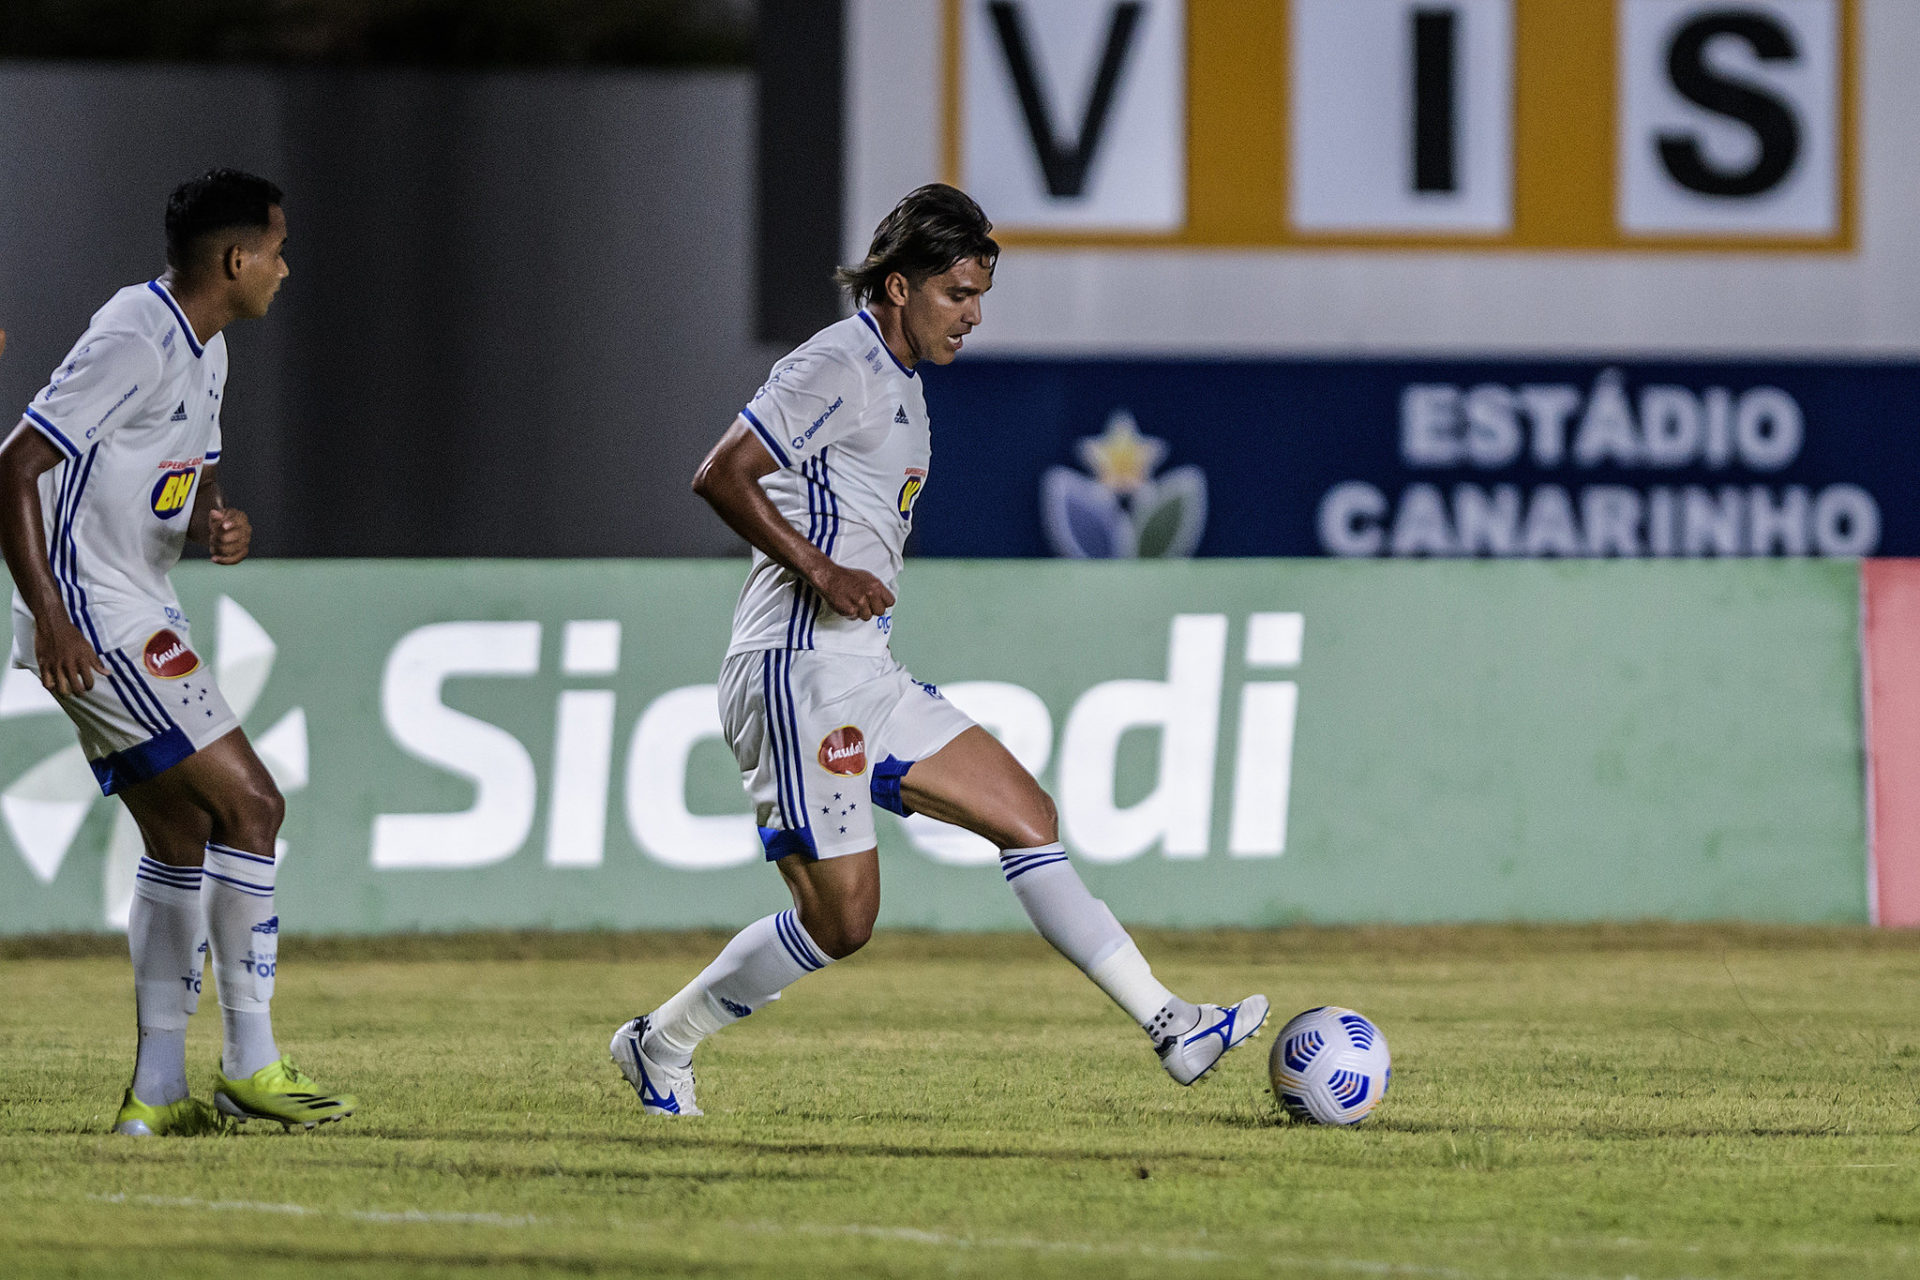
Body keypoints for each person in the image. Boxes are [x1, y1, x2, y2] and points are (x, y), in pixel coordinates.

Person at [609, 184, 1267, 1116]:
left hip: (860, 667)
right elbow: (721, 475)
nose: (973, 314)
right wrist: (823, 571)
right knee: (843, 923)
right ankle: (661, 1041)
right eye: (957, 293)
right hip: (798, 668)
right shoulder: (835, 363)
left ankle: (1173, 1025)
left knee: (1026, 815)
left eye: (979, 296)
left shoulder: (903, 385)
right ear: (895, 286)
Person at [0, 170, 356, 1135]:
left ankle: (157, 1094)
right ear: (236, 259)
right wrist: (50, 612)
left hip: (137, 605)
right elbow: (15, 468)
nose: (285, 268)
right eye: (277, 250)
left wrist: (212, 519)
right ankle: (253, 1063)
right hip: (98, 620)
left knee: (180, 837)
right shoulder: (133, 332)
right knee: (254, 803)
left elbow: (185, 465)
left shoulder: (207, 348)